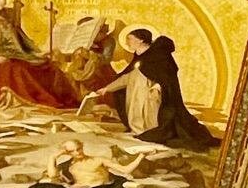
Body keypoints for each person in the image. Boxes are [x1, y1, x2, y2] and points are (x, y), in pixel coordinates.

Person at [82, 28, 217, 149]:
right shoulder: (138, 57)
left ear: (141, 40)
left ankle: (149, 133)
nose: (127, 42)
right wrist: (107, 88)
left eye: (130, 39)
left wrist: (157, 88)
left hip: (150, 95)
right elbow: (127, 77)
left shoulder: (158, 56)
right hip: (135, 94)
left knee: (149, 116)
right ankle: (139, 131)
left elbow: (167, 77)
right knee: (135, 113)